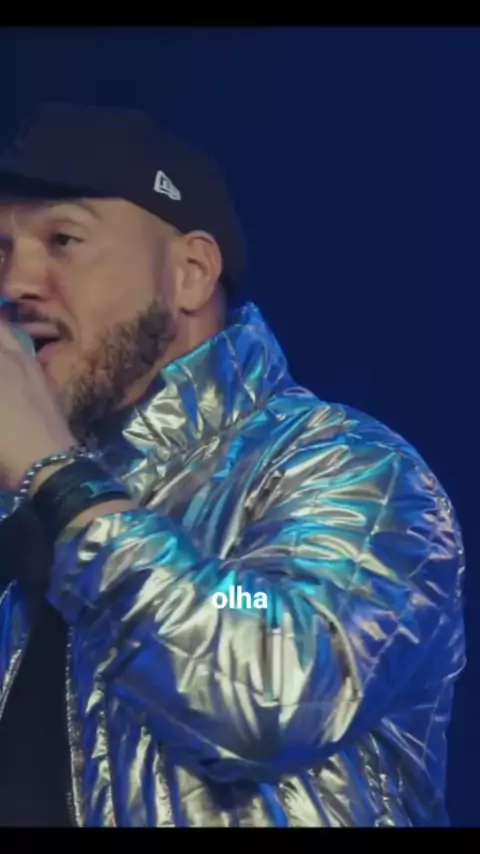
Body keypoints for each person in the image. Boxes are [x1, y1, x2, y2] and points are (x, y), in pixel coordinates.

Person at [0, 102, 465, 828]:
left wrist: (58, 479)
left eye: (63, 239)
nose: (14, 283)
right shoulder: (20, 501)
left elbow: (272, 683)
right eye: (1, 250)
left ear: (190, 274)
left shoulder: (351, 471)